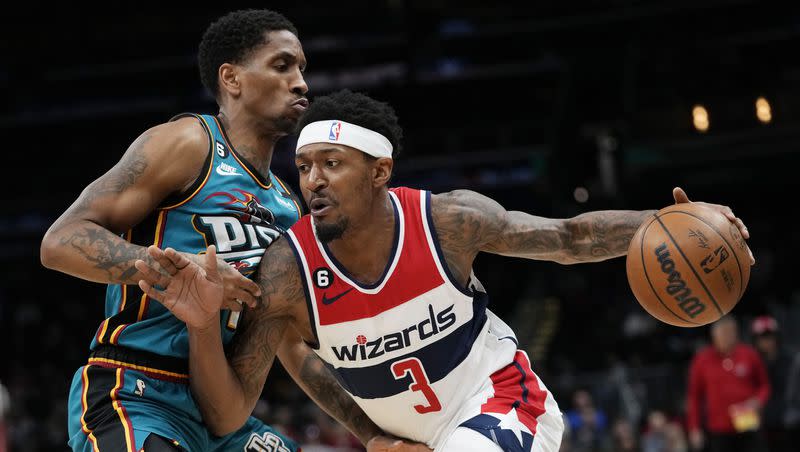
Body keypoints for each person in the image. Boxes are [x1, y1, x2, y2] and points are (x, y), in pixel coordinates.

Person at [134, 90, 754, 452]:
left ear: (380, 171)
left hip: (504, 403)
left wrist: (664, 220)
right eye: (305, 166)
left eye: (332, 163)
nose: (313, 180)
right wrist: (203, 326)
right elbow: (240, 402)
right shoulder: (288, 272)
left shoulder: (446, 223)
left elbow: (569, 237)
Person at [40, 11, 405, 452]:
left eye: (302, 69)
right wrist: (181, 272)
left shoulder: (290, 210)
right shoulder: (189, 142)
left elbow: (292, 347)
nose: (301, 83)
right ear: (231, 78)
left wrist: (373, 437)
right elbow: (60, 241)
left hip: (219, 412)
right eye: (282, 65)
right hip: (135, 388)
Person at [686, 316, 769, 452]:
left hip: (747, 422)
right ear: (714, 335)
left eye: (731, 332)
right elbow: (694, 397)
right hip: (719, 428)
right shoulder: (702, 360)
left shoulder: (749, 354)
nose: (727, 337)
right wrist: (694, 427)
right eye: (723, 333)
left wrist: (758, 401)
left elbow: (764, 386)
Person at [751, 315, 797, 452]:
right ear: (755, 340)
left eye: (770, 336)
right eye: (762, 337)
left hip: (788, 420)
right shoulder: (751, 361)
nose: (767, 341)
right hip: (760, 421)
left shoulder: (791, 360)